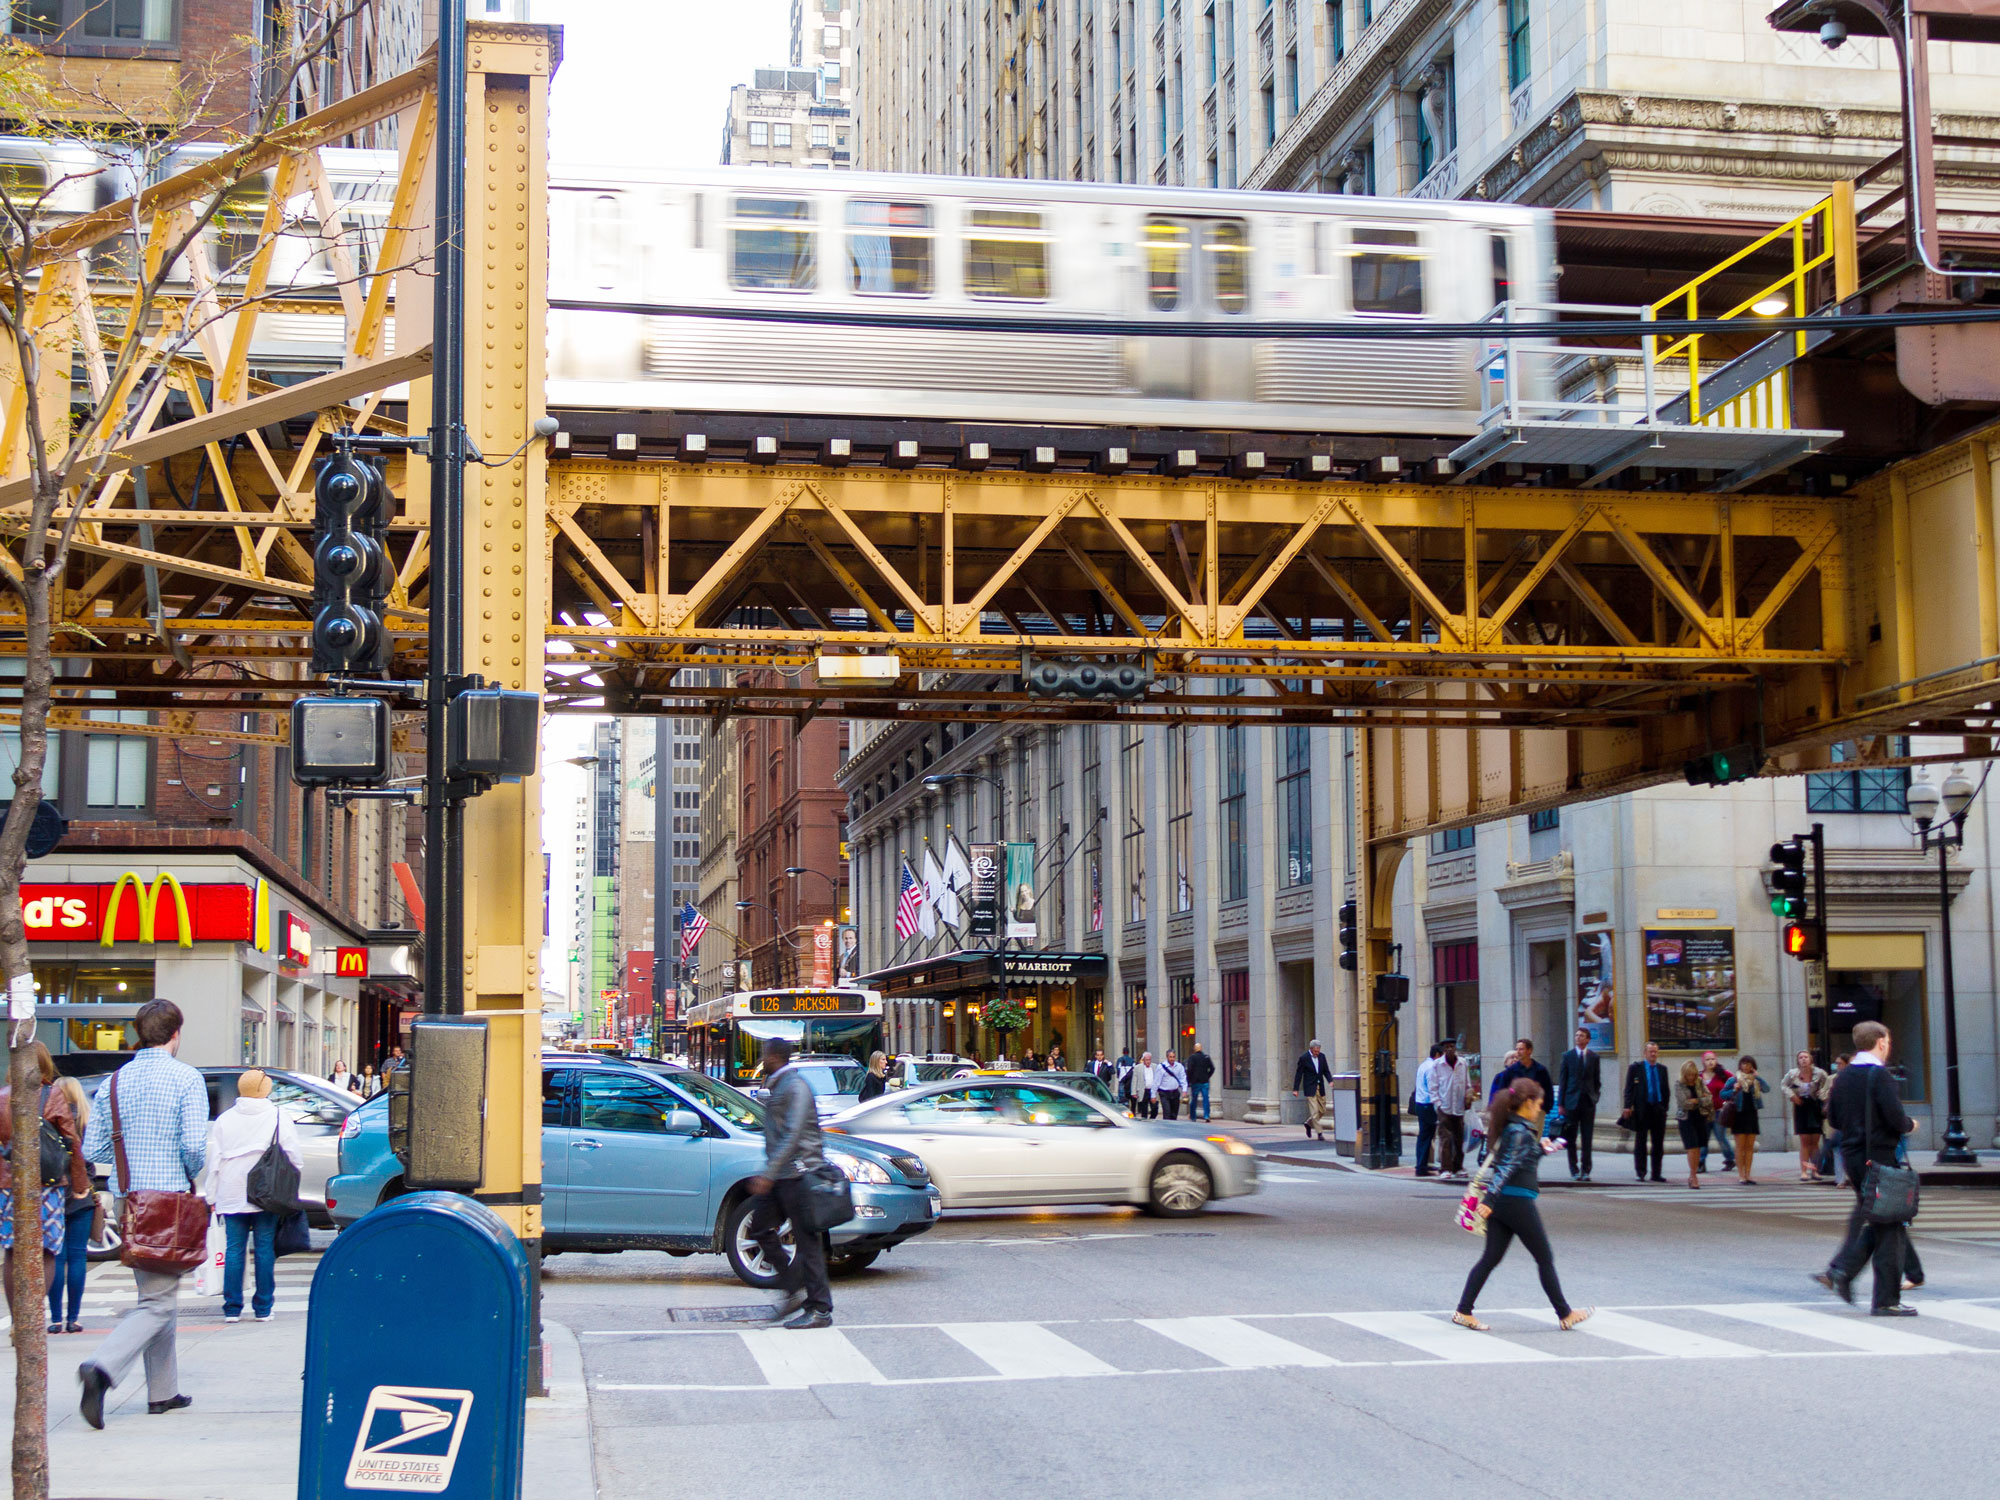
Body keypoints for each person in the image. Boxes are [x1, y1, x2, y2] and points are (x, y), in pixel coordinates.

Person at [78, 999, 208, 1427]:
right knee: (157, 1301)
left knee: (155, 1296)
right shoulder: (186, 1078)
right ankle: (102, 1367)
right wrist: (185, 1173)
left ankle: (162, 1391)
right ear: (175, 1034)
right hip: (167, 1201)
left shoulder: (116, 1081)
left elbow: (93, 1149)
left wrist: (128, 1161)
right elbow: (192, 1146)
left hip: (129, 1201)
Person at [1451, 1079, 1592, 1334]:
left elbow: (1515, 1160)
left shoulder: (1514, 1129)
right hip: (1515, 1201)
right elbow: (1506, 1167)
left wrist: (1540, 1150)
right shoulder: (1519, 1132)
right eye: (1537, 1104)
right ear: (1527, 1103)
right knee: (1544, 1257)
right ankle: (1565, 1313)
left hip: (1505, 1201)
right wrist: (1490, 1200)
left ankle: (1463, 1310)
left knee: (1490, 1259)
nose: (1539, 1109)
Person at [1815, 1020, 1919, 1315]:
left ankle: (1842, 1272)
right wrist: (1911, 1124)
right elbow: (1897, 1119)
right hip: (1879, 1157)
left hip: (1853, 1157)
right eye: (1889, 1040)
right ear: (1882, 1041)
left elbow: (1834, 1120)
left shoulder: (1843, 1077)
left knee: (1880, 1219)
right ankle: (1886, 1300)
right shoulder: (1880, 1075)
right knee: (1890, 1226)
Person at [202, 1070, 303, 1324]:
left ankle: (232, 1308)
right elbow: (293, 1156)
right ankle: (263, 1308)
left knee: (234, 1249)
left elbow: (216, 1161)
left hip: (231, 1189)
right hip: (266, 1191)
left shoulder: (225, 1119)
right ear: (265, 1090)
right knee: (264, 1248)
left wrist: (212, 1195)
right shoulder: (279, 1116)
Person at [746, 1037, 832, 1329]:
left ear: (775, 1056)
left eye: (764, 1054)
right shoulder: (777, 1084)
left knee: (808, 1243)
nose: (762, 1058)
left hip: (798, 1174)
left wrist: (768, 1174)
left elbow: (793, 1134)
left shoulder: (795, 1086)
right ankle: (793, 1286)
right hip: (783, 1175)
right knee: (758, 1228)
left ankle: (820, 1309)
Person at [0, 1042, 86, 1322]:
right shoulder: (53, 1094)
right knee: (47, 1250)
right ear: (45, 1065)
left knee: (12, 1251)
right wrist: (80, 1182)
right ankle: (33, 1318)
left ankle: (17, 1321)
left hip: (8, 1184)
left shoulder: (2, 1097)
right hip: (47, 1183)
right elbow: (71, 1140)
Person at [49, 1075, 96, 1334]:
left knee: (57, 1256)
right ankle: (73, 1318)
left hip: (54, 1193)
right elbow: (94, 1158)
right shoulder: (86, 1123)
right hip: (82, 1195)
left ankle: (55, 1319)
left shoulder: (48, 1122)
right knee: (78, 1255)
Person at [1557, 1028, 1603, 1182]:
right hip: (1571, 1102)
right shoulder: (1568, 1056)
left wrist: (1595, 1096)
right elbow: (1563, 1080)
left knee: (1587, 1137)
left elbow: (1596, 1080)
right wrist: (1561, 1104)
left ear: (1588, 1039)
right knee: (1571, 1137)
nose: (1578, 1038)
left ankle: (1586, 1170)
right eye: (1576, 1035)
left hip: (1588, 1102)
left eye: (1581, 1036)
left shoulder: (1593, 1057)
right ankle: (1574, 1169)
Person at [1622, 1041, 1670, 1182]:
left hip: (1658, 1110)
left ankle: (1656, 1173)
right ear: (1645, 1053)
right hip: (1643, 1109)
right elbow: (1629, 1089)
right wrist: (1627, 1106)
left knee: (1658, 1143)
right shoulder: (1636, 1068)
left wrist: (1664, 1107)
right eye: (1651, 1052)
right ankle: (1641, 1172)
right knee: (1641, 1142)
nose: (1653, 1054)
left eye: (1655, 1051)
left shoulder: (1662, 1069)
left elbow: (1666, 1090)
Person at [1782, 1050, 1831, 1183]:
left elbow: (1827, 1085)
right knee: (1804, 1141)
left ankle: (1814, 1170)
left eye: (1806, 1057)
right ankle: (1804, 1171)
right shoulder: (1793, 1074)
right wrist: (1792, 1096)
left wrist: (1823, 1094)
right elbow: (1783, 1085)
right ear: (1798, 1061)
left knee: (1814, 1141)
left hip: (1814, 1106)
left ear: (1811, 1060)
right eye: (1801, 1057)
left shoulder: (1819, 1073)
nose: (1803, 1059)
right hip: (1801, 1106)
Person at [1720, 1056, 1770, 1185]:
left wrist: (1757, 1077)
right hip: (1739, 1114)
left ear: (1753, 1066)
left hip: (1752, 1114)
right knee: (1740, 1146)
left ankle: (1748, 1174)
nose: (1746, 1066)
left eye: (1749, 1064)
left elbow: (1767, 1088)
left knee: (1749, 1147)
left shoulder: (1755, 1081)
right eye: (1744, 1064)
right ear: (1740, 1065)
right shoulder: (1734, 1079)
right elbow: (1722, 1094)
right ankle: (1741, 1174)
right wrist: (1734, 1089)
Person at [1673, 1060, 1714, 1189]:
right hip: (1686, 1119)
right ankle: (1693, 1176)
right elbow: (1684, 1103)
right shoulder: (1679, 1084)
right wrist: (1700, 1100)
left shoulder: (1699, 1082)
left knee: (1698, 1148)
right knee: (1691, 1147)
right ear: (1684, 1074)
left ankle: (1694, 1174)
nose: (1691, 1077)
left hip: (1699, 1117)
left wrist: (1696, 1100)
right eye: (1688, 1075)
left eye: (1693, 1074)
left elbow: (1709, 1098)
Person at [1433, 1042, 1471, 1179]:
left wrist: (1468, 1096)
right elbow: (1433, 1086)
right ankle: (1446, 1168)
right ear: (1443, 1050)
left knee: (1459, 1138)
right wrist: (1438, 1104)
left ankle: (1458, 1167)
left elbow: (1467, 1083)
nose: (1450, 1049)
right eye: (1447, 1047)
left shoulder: (1462, 1063)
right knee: (1445, 1138)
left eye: (1452, 1047)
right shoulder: (1437, 1065)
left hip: (1459, 1106)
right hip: (1445, 1106)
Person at [1697, 1052, 1735, 1173]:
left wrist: (1728, 1099)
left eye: (1713, 1059)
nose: (1711, 1062)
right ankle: (1701, 1162)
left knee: (1721, 1137)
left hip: (1719, 1112)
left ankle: (1730, 1159)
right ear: (1703, 1061)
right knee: (1703, 1138)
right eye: (1708, 1059)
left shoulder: (1723, 1075)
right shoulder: (1699, 1076)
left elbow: (1735, 1082)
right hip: (1704, 1113)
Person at [1291, 1039, 1333, 1140]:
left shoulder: (1322, 1057)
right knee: (1314, 1112)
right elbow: (1298, 1074)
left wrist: (1330, 1081)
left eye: (1318, 1051)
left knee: (1322, 1110)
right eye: (1315, 1051)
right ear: (1311, 1049)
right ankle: (1320, 1133)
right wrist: (1295, 1089)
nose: (1317, 1053)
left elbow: (1326, 1070)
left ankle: (1308, 1123)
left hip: (1320, 1086)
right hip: (1310, 1087)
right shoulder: (1304, 1058)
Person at [1412, 1044, 1441, 1177]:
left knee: (1424, 1136)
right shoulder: (1431, 1067)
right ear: (1437, 1055)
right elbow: (1432, 1087)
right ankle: (1421, 1167)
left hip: (1421, 1103)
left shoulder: (1424, 1065)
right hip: (1427, 1105)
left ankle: (1422, 1164)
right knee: (1426, 1135)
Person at [1185, 1042, 1215, 1122]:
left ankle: (1193, 1116)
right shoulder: (1206, 1057)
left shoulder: (1192, 1058)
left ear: (1195, 1049)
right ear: (1201, 1048)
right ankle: (1206, 1115)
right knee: (1206, 1099)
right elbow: (1212, 1068)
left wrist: (1189, 1079)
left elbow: (1189, 1070)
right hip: (1205, 1081)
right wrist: (1207, 1076)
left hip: (1196, 1082)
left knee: (1194, 1099)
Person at [1156, 1051, 1188, 1121]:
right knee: (1167, 1112)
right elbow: (1156, 1081)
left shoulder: (1179, 1066)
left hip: (1175, 1092)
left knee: (1174, 1114)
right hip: (1164, 1093)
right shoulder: (1161, 1067)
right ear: (1167, 1057)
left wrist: (1184, 1090)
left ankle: (1173, 1129)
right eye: (1170, 1057)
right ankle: (1167, 1129)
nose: (1172, 1059)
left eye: (1173, 1057)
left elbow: (1183, 1078)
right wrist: (1153, 1094)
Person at [1130, 1052, 1158, 1119]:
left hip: (1152, 1090)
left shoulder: (1155, 1067)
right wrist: (1133, 1092)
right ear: (1143, 1060)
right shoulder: (1138, 1067)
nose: (1148, 1061)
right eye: (1147, 1060)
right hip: (1143, 1090)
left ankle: (1151, 1119)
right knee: (1144, 1110)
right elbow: (1134, 1080)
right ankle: (1145, 1121)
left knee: (1155, 1109)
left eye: (1149, 1059)